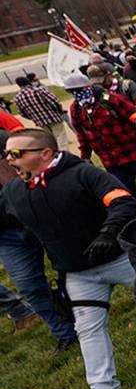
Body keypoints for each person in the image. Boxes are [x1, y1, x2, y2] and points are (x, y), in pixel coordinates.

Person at [2, 127, 136, 389]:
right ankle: (102, 386)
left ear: (45, 154)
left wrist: (109, 233)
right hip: (78, 275)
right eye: (6, 154)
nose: (9, 159)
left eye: (15, 153)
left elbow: (122, 201)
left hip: (119, 259)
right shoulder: (13, 192)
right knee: (88, 330)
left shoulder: (82, 174)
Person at [0, 131, 78, 352]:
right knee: (29, 285)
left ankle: (87, 313)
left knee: (74, 266)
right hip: (6, 234)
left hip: (38, 214)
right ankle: (64, 333)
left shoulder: (5, 141)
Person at [64, 72, 136, 202]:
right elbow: (82, 135)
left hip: (134, 153)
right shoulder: (76, 110)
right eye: (73, 91)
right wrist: (85, 157)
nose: (78, 93)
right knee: (127, 191)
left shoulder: (112, 100)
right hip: (111, 161)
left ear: (88, 86)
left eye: (80, 89)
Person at [12, 77, 68, 150]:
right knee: (60, 135)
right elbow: (54, 101)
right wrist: (59, 111)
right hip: (52, 116)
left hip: (39, 121)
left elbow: (21, 112)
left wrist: (33, 117)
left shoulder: (18, 97)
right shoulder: (39, 90)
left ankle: (55, 152)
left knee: (50, 138)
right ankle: (63, 153)